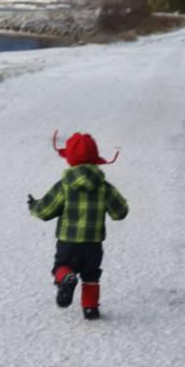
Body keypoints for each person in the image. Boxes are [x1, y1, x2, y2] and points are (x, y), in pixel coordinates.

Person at [28, 131, 129, 320]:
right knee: (91, 276)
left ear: (70, 160)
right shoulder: (104, 187)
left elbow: (45, 211)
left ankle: (66, 278)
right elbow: (120, 212)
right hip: (93, 244)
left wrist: (34, 206)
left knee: (62, 266)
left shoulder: (64, 186)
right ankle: (90, 309)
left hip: (68, 242)